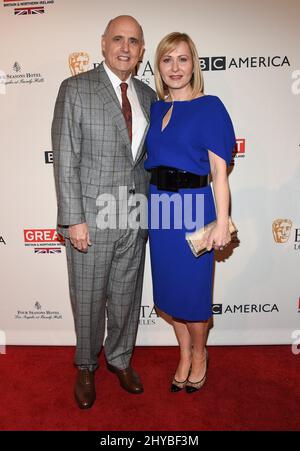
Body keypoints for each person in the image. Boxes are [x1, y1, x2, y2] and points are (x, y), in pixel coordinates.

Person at [52, 15, 157, 409]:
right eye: (118, 39)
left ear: (142, 49)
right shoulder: (76, 89)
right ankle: (85, 365)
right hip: (91, 220)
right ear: (103, 43)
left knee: (127, 296)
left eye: (133, 41)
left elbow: (146, 160)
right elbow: (65, 159)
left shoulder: (147, 95)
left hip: (135, 216)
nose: (125, 47)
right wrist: (72, 219)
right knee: (89, 296)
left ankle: (120, 360)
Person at [145, 32, 236, 393]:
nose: (175, 68)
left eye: (182, 59)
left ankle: (200, 353)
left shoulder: (210, 106)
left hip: (195, 209)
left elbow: (219, 175)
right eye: (167, 60)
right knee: (170, 295)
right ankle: (182, 353)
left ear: (193, 64)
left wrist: (221, 221)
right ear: (159, 67)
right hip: (159, 209)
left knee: (193, 295)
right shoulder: (156, 107)